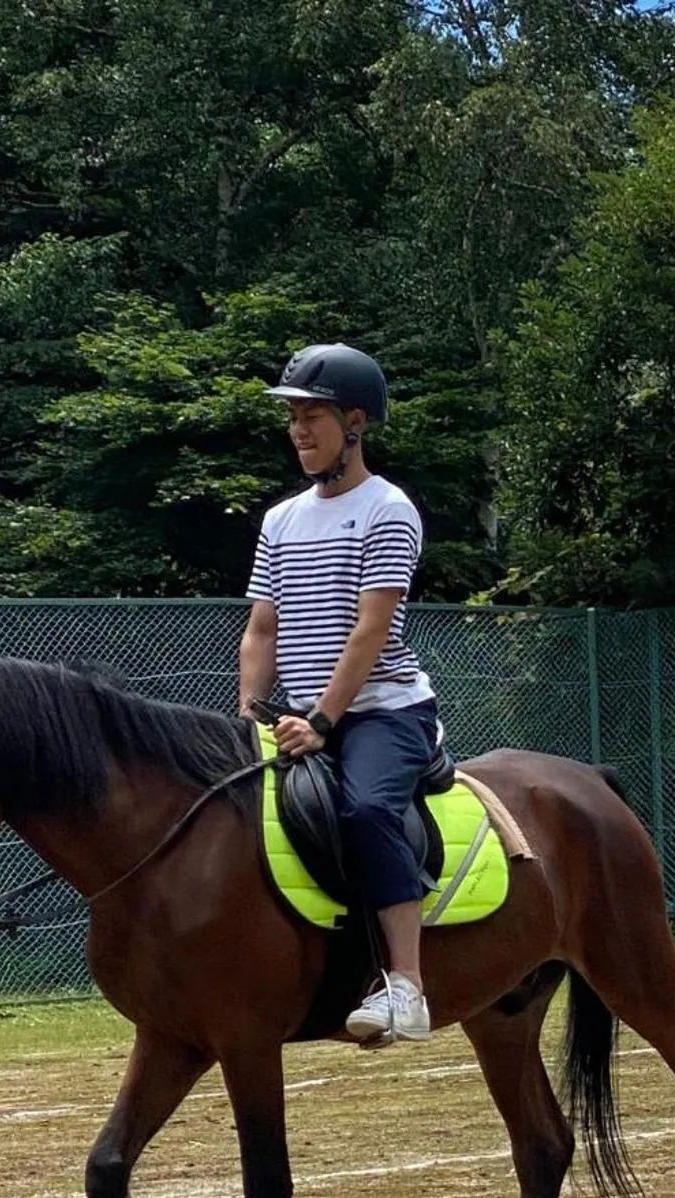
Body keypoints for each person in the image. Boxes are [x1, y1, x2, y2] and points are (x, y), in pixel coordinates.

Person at [238, 343, 439, 1045]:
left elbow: (371, 632)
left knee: (364, 810)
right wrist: (247, 720)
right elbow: (262, 629)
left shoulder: (390, 510)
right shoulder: (281, 521)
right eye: (292, 417)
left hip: (385, 712)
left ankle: (407, 987)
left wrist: (323, 720)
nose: (298, 431)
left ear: (355, 423)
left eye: (312, 416)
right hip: (300, 716)